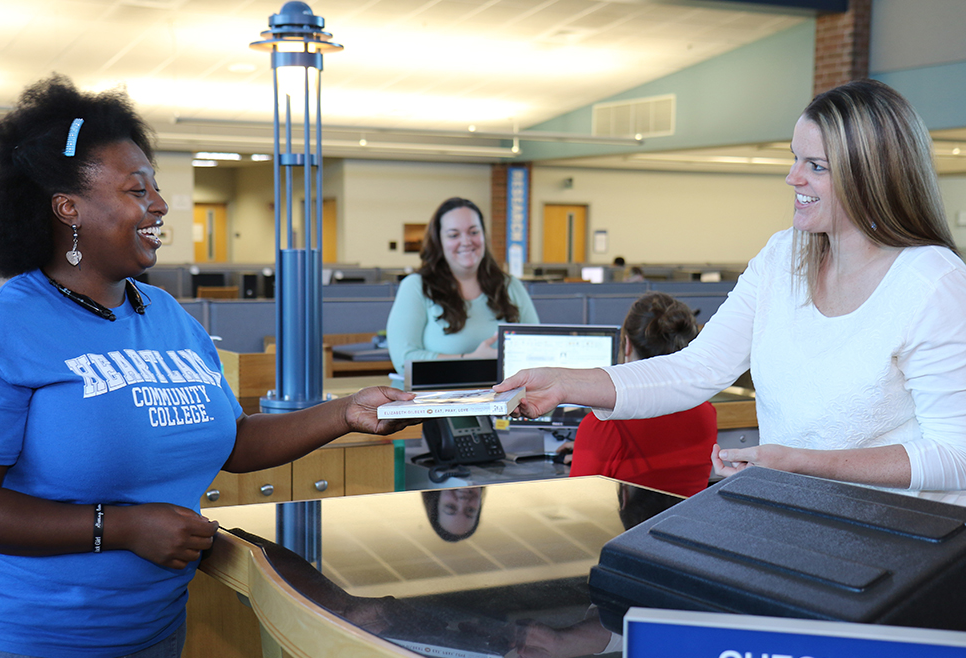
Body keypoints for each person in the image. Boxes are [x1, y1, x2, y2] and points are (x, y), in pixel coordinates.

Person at [0, 75, 413, 658]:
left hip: (149, 633)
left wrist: (345, 412)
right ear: (67, 208)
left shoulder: (165, 317)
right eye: (137, 189)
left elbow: (235, 440)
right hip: (27, 646)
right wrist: (120, 526)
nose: (160, 204)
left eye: (155, 186)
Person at [496, 79, 966, 493]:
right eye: (794, 159)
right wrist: (565, 383)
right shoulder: (784, 258)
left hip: (898, 544)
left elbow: (956, 457)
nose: (792, 178)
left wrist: (801, 464)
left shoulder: (932, 284)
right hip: (799, 517)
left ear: (873, 176)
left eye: (816, 166)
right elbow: (695, 369)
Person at [563, 292, 717, 497]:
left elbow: (578, 508)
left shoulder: (605, 423)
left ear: (627, 345)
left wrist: (592, 444)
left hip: (624, 529)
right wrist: (592, 449)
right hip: (682, 527)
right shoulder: (705, 412)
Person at [386, 197, 539, 372]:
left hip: (506, 395)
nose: (466, 241)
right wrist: (470, 360)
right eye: (454, 235)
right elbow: (403, 360)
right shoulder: (416, 287)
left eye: (473, 232)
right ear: (439, 241)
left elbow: (536, 349)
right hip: (437, 396)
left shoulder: (510, 286)